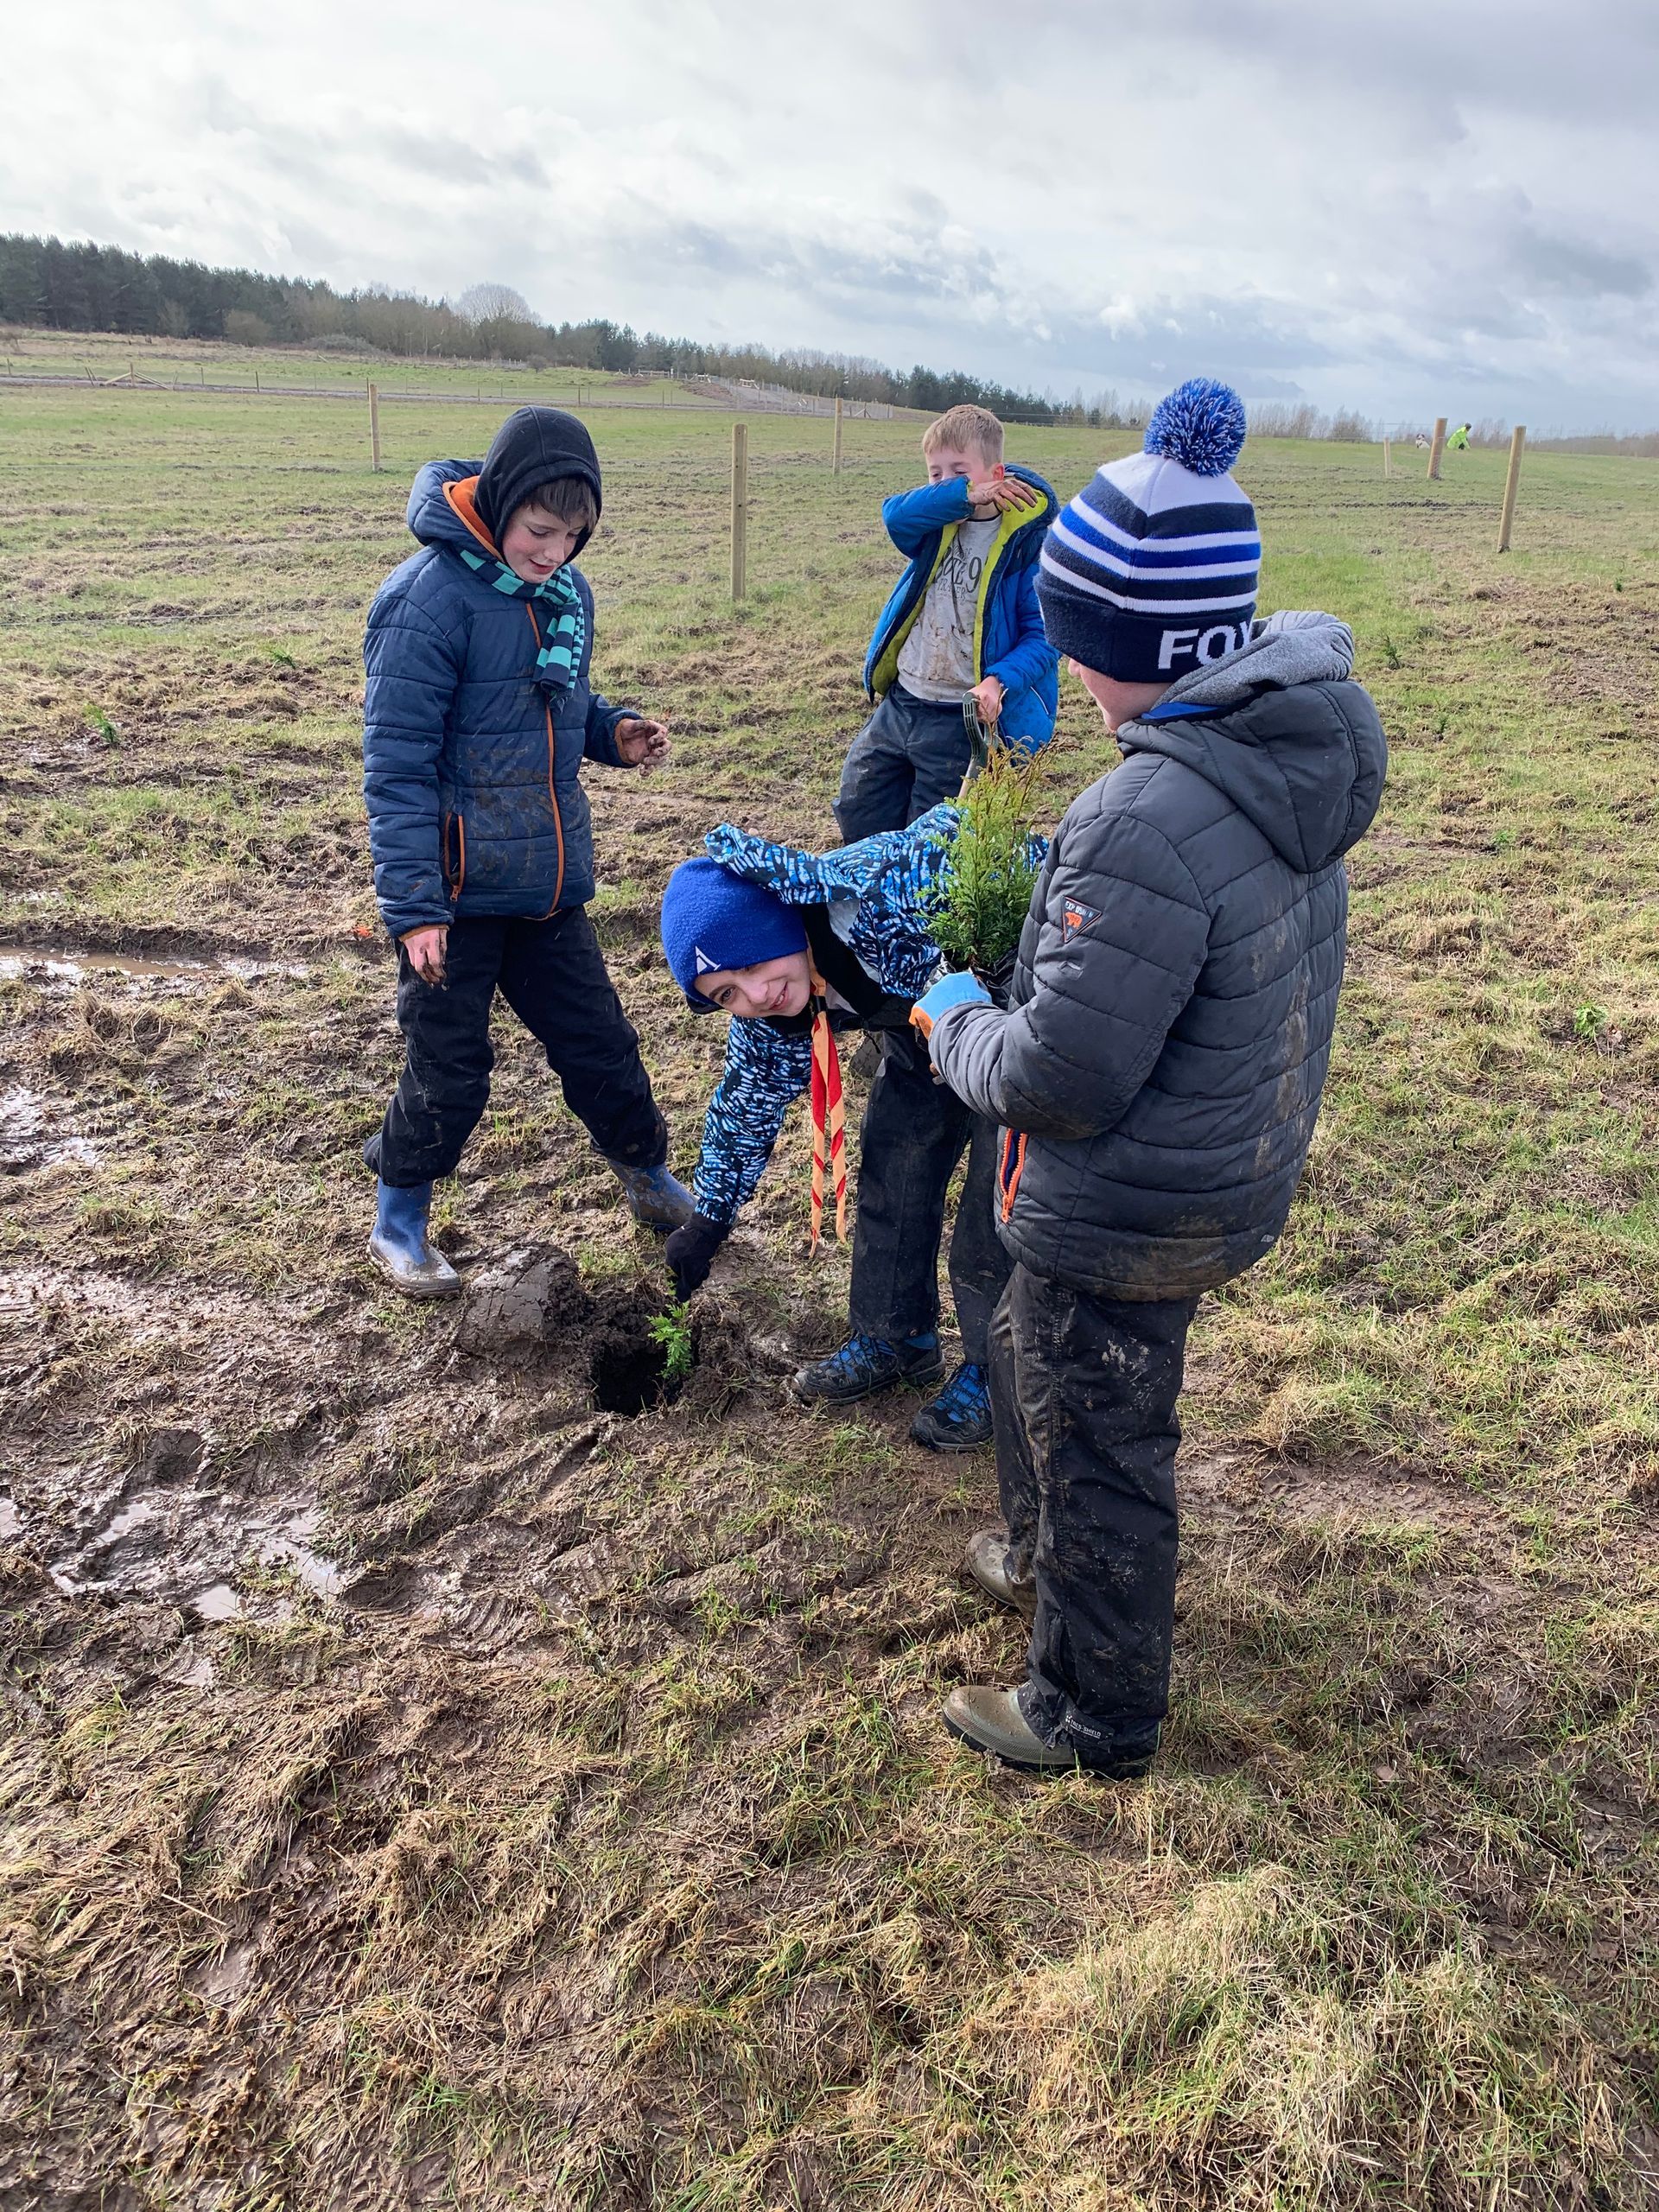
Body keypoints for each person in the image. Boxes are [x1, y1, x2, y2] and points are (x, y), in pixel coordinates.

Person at [912, 378, 1387, 1777]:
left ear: (1121, 640)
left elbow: (1059, 1071)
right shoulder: (1268, 753)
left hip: (1125, 1205)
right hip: (1217, 1165)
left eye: (1078, 635)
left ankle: (1091, 1708)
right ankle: (1046, 1556)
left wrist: (954, 1022)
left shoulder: (1147, 808)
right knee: (1047, 1381)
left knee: (1103, 1436)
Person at [360, 406, 693, 1297]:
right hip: (457, 897)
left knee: (601, 1045)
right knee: (450, 1068)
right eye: (541, 531)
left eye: (573, 538)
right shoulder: (423, 601)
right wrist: (417, 909)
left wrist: (611, 730)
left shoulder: (564, 596)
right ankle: (398, 1219)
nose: (555, 552)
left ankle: (648, 1179)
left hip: (547, 887)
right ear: (502, 502)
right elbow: (396, 770)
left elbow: (557, 704)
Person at [658, 809, 1023, 1450]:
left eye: (749, 964)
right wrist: (708, 1220)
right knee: (896, 1157)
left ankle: (1001, 1372)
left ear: (781, 919)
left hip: (1014, 1009)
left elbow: (978, 859)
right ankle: (894, 1337)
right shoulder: (777, 1010)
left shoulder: (877, 895)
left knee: (999, 1203)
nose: (755, 994)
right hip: (922, 1025)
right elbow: (745, 1100)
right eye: (725, 996)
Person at [835, 404, 1059, 842]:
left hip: (960, 715)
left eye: (958, 471)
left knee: (929, 838)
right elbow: (892, 515)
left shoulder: (1027, 545)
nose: (943, 482)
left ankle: (912, 908)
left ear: (996, 473)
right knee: (859, 803)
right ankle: (863, 899)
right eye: (934, 473)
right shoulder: (933, 527)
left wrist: (998, 681)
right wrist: (958, 494)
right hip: (903, 699)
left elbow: (1046, 636)